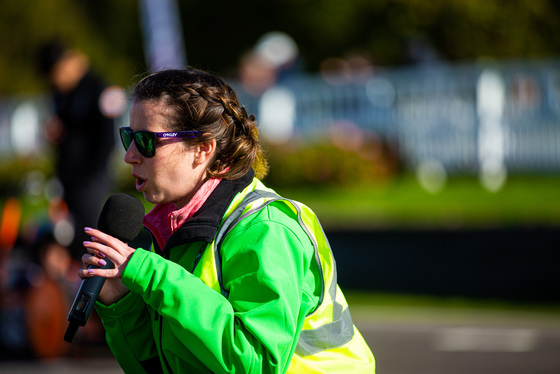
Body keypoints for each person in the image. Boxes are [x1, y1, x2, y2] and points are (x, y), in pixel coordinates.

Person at [80, 68, 375, 373]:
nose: (129, 155)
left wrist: (152, 275)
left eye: (145, 140)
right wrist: (120, 303)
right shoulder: (172, 228)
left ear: (203, 149)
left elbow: (256, 365)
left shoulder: (265, 229)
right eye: (127, 136)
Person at [37, 40, 120, 261]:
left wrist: (91, 177)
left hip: (91, 179)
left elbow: (107, 139)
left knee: (90, 236)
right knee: (71, 237)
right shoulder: (61, 94)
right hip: (69, 178)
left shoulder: (97, 89)